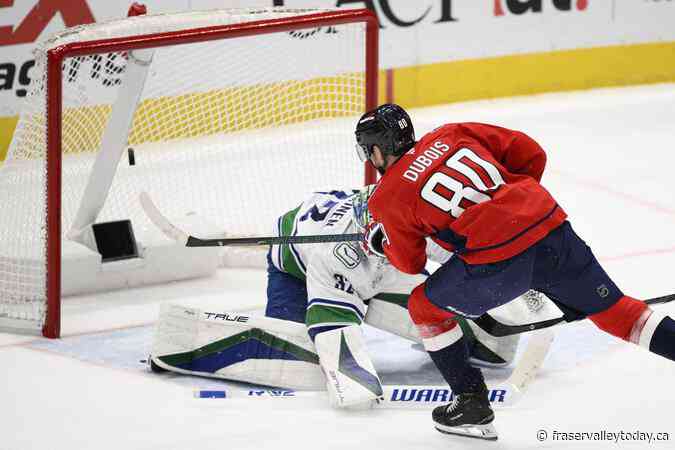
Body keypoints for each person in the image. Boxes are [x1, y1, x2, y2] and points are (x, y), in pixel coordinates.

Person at [354, 104, 675, 440]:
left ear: (376, 150)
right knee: (616, 313)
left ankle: (470, 403)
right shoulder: (451, 133)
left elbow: (411, 264)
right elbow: (530, 153)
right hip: (548, 226)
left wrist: (381, 243)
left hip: (497, 264)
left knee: (423, 307)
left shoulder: (386, 197)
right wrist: (510, 206)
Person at [150, 186, 529, 409]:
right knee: (302, 353)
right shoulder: (335, 256)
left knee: (481, 341)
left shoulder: (405, 213)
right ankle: (188, 339)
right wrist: (357, 382)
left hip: (377, 269)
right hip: (297, 275)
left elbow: (455, 253)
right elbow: (334, 332)